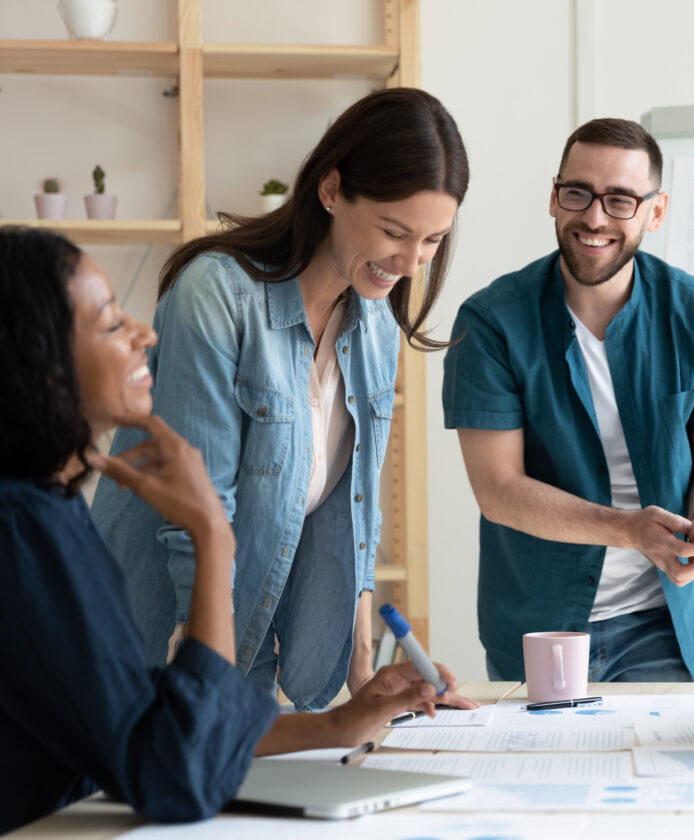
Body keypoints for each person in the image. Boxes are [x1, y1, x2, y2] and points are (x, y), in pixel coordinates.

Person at [0, 227, 463, 832]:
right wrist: (213, 538)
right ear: (41, 363)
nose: (144, 335)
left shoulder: (47, 511)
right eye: (113, 324)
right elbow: (177, 772)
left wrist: (337, 725)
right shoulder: (25, 532)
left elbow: (147, 716)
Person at [91, 88, 476, 711]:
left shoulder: (374, 321)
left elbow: (358, 513)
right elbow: (199, 511)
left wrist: (365, 680)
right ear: (330, 191)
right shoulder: (217, 297)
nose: (409, 263)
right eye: (393, 231)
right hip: (157, 645)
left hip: (247, 649)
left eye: (432, 241)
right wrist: (206, 686)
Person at [442, 118, 694, 683]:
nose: (594, 217)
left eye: (620, 200)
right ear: (553, 198)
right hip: (538, 626)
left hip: (666, 621)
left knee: (666, 772)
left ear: (655, 213)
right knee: (543, 773)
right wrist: (629, 529)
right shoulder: (491, 322)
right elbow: (499, 491)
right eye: (577, 194)